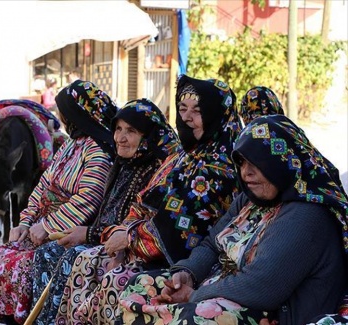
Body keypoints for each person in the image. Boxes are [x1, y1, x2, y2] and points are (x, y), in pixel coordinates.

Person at [118, 114, 348, 325]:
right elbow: (211, 243)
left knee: (193, 319)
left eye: (256, 162)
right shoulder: (250, 200)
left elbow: (262, 285)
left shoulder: (307, 214)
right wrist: (187, 274)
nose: (246, 173)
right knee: (139, 286)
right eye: (241, 163)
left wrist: (194, 295)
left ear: (283, 161)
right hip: (219, 293)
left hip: (274, 314)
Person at [56, 75, 243, 325]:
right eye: (183, 109)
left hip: (189, 265)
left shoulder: (221, 168)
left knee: (118, 280)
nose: (186, 117)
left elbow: (180, 228)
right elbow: (142, 203)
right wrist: (123, 236)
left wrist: (129, 239)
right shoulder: (182, 159)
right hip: (144, 250)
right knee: (86, 261)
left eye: (198, 111)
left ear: (217, 115)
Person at [30, 99, 182, 325]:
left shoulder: (159, 169)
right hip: (106, 237)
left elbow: (137, 222)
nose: (120, 138)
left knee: (72, 257)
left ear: (148, 135)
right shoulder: (123, 163)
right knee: (49, 251)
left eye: (131, 131)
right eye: (118, 129)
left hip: (135, 249)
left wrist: (90, 234)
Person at [0, 80, 118, 324]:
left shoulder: (99, 151)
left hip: (65, 230)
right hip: (40, 227)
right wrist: (25, 221)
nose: (61, 118)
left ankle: (37, 319)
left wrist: (48, 227)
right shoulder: (71, 145)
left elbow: (88, 198)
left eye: (63, 112)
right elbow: (43, 186)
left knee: (26, 266)